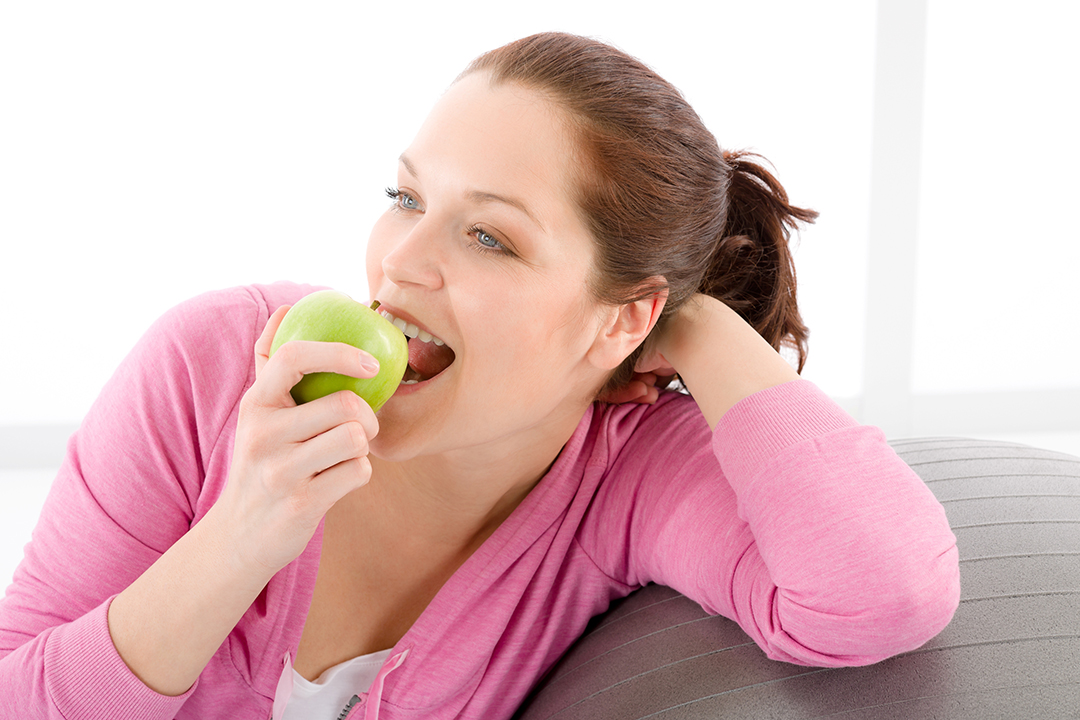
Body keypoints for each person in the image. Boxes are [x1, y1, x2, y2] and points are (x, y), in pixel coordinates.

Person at [0, 32, 959, 720]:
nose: (400, 264)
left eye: (489, 236)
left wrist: (699, 328)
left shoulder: (626, 474)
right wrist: (240, 538)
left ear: (622, 318)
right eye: (404, 197)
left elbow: (882, 594)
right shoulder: (217, 366)